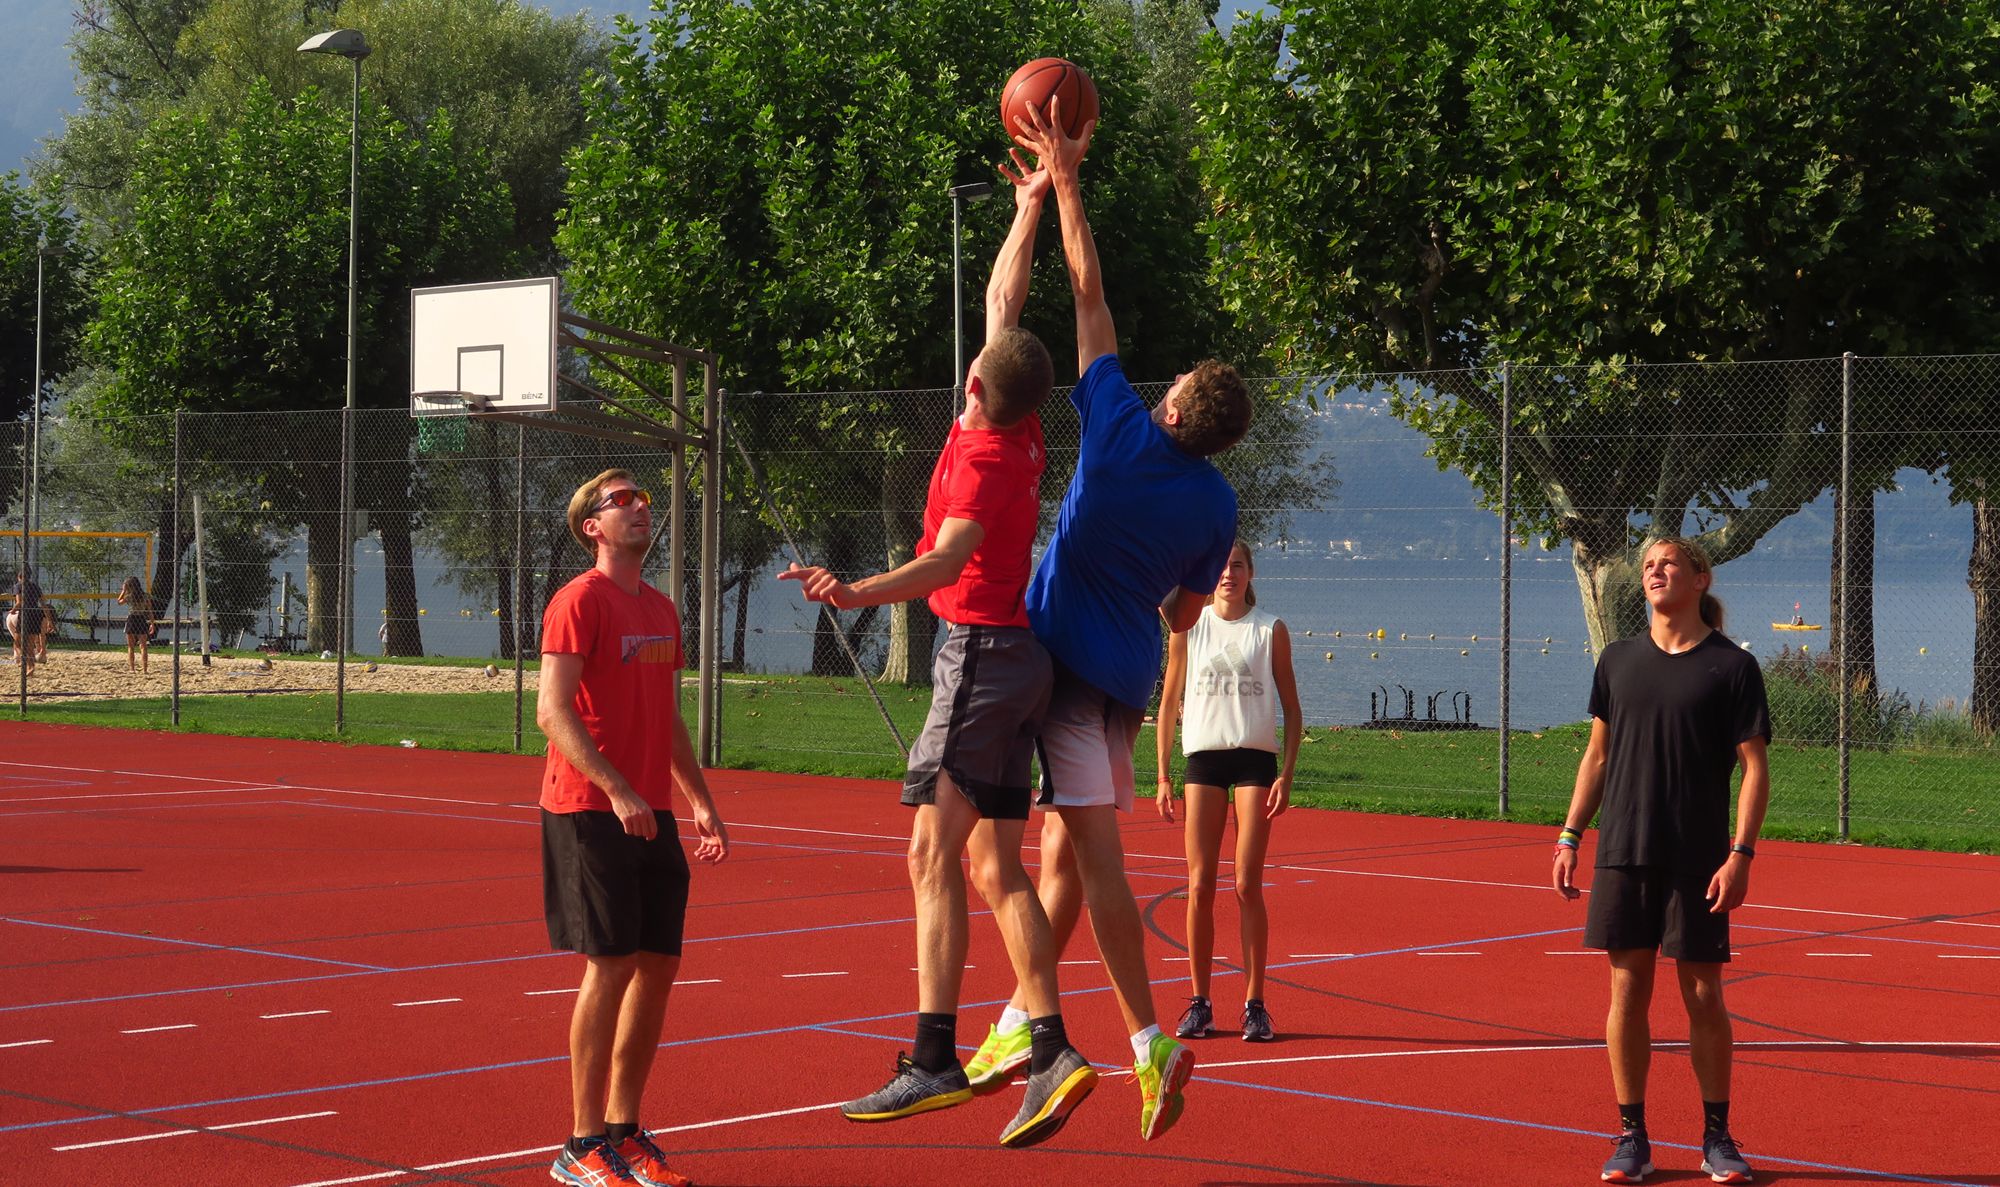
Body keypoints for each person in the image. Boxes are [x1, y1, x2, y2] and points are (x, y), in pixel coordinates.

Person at [782, 149, 1096, 1150]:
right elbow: (1004, 303)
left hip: (980, 656)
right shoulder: (1018, 422)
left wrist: (854, 591)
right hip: (1019, 658)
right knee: (994, 863)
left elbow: (946, 559)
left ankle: (934, 1057)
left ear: (970, 386)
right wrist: (1030, 204)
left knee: (928, 851)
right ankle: (1048, 1048)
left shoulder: (985, 460)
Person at [963, 98, 1254, 1143]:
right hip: (1126, 669)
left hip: (1061, 661)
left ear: (1172, 408)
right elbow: (1184, 612)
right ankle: (1017, 1020)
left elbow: (1086, 289)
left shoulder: (1120, 425)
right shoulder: (1217, 506)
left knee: (1059, 853)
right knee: (1059, 855)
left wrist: (1064, 182)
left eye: (1175, 382)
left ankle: (1141, 1038)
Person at [1552, 536, 1770, 1185]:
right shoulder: (1617, 660)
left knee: (1703, 994)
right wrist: (1570, 835)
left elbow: (1754, 769)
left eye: (1669, 562)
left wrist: (1740, 854)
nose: (1656, 571)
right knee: (1627, 989)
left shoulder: (1732, 666)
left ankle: (1717, 1137)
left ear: (1700, 578)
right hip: (1623, 851)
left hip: (1698, 856)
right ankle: (1632, 1138)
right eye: (1649, 564)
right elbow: (1597, 756)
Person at [536, 468, 730, 1187]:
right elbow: (551, 711)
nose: (641, 507)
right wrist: (617, 788)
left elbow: (667, 714)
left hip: (653, 811)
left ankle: (624, 1131)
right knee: (611, 963)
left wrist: (699, 799)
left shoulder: (660, 608)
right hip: (589, 808)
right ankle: (580, 1143)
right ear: (592, 525)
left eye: (643, 498)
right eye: (623, 500)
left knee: (657, 966)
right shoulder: (578, 601)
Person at [1154, 539, 1301, 1043]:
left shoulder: (1269, 629)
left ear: (1250, 572)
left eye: (1237, 565)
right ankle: (1200, 1003)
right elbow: (1168, 701)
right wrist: (1162, 775)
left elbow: (1293, 708)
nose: (1227, 575)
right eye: (1220, 567)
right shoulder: (1188, 627)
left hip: (1255, 762)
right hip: (1203, 760)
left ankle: (1255, 1005)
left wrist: (1287, 774)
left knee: (1246, 885)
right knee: (1199, 885)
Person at [9, 571, 44, 677]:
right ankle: (30, 666)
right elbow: (43, 603)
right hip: (36, 614)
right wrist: (50, 620)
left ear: (19, 577)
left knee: (18, 643)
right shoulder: (36, 587)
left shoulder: (18, 586)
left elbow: (19, 602)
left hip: (25, 614)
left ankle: (28, 664)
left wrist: (13, 610)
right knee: (30, 644)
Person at [118, 576, 152, 674]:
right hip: (141, 619)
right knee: (143, 646)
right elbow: (150, 610)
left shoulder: (129, 597)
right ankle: (145, 669)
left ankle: (132, 669)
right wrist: (152, 623)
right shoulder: (145, 596)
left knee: (131, 646)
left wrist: (123, 591)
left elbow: (119, 602)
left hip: (132, 619)